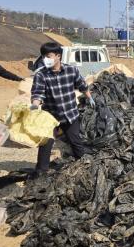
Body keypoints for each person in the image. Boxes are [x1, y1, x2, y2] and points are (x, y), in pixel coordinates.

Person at [31, 42, 95, 174]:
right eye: (43, 56)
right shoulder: (41, 75)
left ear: (58, 56)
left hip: (70, 113)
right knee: (45, 144)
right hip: (51, 116)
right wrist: (35, 105)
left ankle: (84, 166)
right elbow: (38, 93)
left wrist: (89, 97)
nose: (45, 59)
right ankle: (41, 171)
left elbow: (82, 85)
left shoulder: (71, 70)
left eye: (48, 56)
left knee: (75, 141)